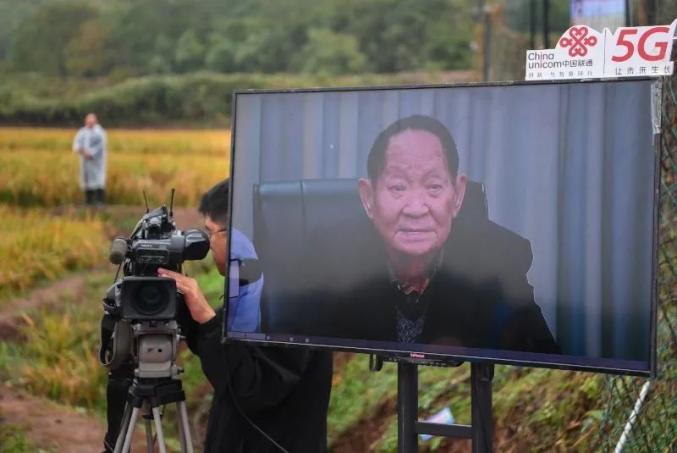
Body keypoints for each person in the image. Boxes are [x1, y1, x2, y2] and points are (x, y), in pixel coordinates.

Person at [309, 115, 559, 353]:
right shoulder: (327, 260)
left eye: (433, 187)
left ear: (458, 195)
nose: (416, 209)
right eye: (398, 187)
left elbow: (545, 364)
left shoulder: (500, 258)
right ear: (368, 198)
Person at [156, 180, 333, 452]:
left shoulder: (294, 300)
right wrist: (186, 309)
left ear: (234, 234)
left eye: (211, 233)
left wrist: (206, 318)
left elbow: (252, 389)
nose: (209, 245)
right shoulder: (256, 282)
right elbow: (227, 352)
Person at [72, 113, 107, 206]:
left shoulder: (99, 132)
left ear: (95, 121)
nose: (90, 122)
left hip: (97, 161)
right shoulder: (82, 132)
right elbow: (76, 145)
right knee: (87, 181)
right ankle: (88, 202)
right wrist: (82, 151)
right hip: (85, 162)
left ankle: (100, 201)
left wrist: (91, 153)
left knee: (98, 180)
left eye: (92, 120)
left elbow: (101, 146)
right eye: (88, 120)